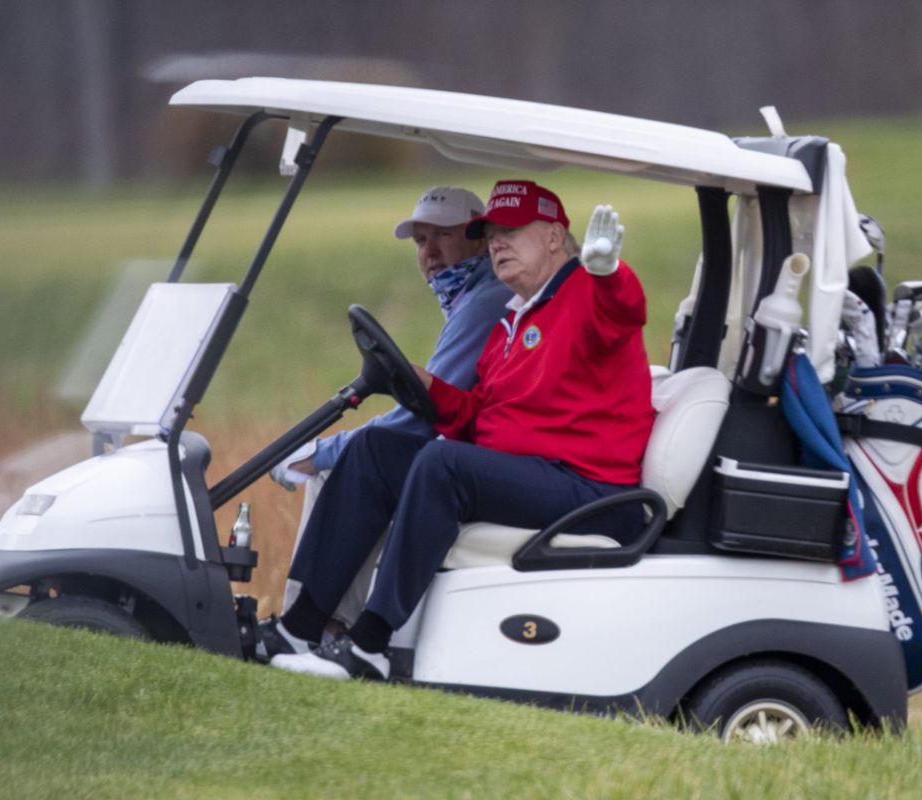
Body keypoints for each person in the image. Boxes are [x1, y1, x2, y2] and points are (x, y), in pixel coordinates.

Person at [269, 180, 655, 681]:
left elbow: (624, 311)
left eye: (512, 231)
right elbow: (481, 417)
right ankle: (298, 628)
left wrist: (610, 272)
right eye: (492, 233)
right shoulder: (514, 320)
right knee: (376, 448)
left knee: (442, 463)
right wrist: (427, 387)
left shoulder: (586, 291)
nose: (497, 243)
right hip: (535, 475)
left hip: (591, 490)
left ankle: (369, 644)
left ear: (556, 238)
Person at [257, 186, 514, 657]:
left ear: (480, 238)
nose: (430, 252)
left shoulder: (485, 302)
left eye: (443, 235)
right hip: (478, 454)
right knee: (365, 454)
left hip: (491, 466)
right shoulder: (471, 294)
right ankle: (319, 627)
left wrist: (321, 451)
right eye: (420, 241)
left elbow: (427, 414)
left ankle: (309, 628)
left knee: (360, 455)